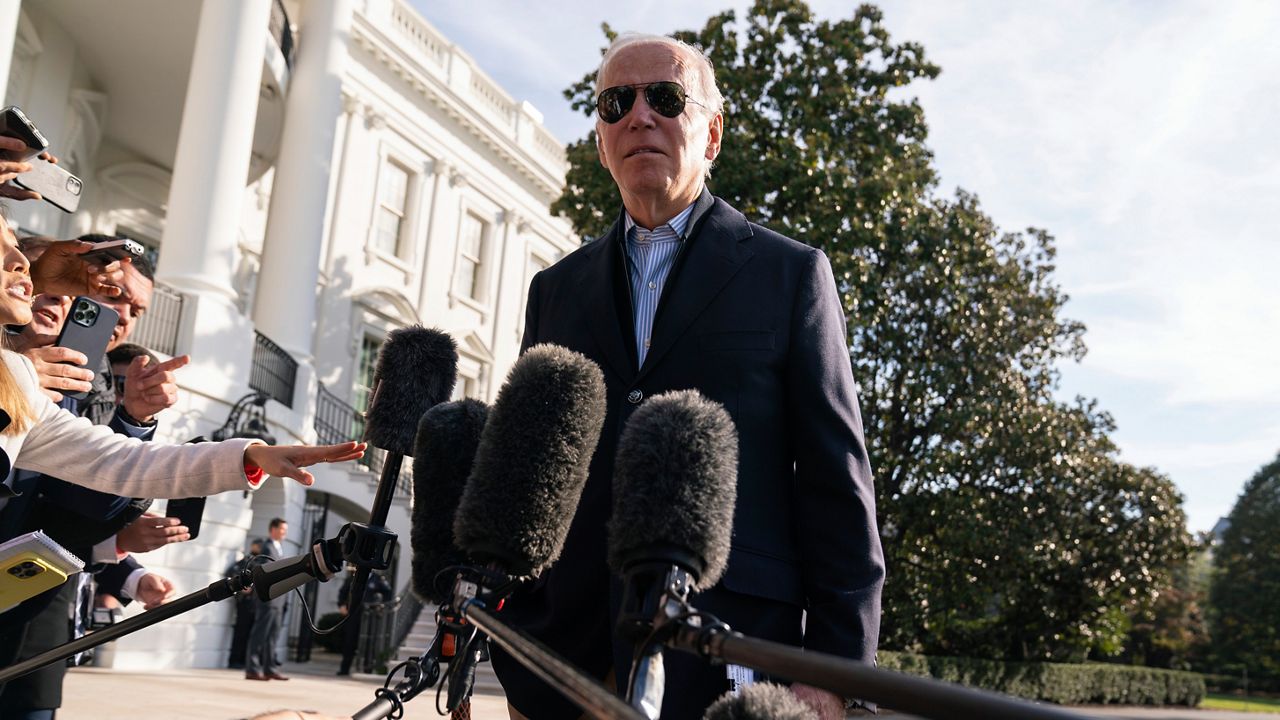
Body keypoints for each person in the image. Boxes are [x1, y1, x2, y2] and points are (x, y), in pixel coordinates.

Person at [497, 33, 884, 720]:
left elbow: (836, 485)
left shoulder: (791, 275)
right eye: (617, 102)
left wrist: (834, 672)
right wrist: (513, 644)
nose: (639, 116)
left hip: (728, 662)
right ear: (599, 138)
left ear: (712, 133)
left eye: (666, 97)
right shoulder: (553, 290)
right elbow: (522, 477)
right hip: (564, 667)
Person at [245, 517, 290, 681]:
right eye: (282, 529)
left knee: (272, 636)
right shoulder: (267, 547)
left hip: (278, 600)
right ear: (273, 529)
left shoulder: (278, 547)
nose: (285, 532)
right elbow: (265, 572)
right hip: (268, 599)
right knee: (260, 634)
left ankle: (270, 668)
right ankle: (252, 669)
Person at [336, 565, 393, 675]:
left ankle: (367, 669)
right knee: (349, 641)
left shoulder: (377, 579)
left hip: (370, 616)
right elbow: (343, 592)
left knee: (369, 642)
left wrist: (381, 606)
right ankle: (344, 669)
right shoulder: (353, 578)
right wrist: (342, 605)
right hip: (353, 614)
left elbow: (388, 594)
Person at [227, 540, 264, 669]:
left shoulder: (262, 561)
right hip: (245, 603)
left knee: (250, 634)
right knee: (241, 632)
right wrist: (241, 588)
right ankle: (235, 660)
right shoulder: (247, 561)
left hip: (257, 604)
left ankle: (244, 661)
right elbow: (232, 571)